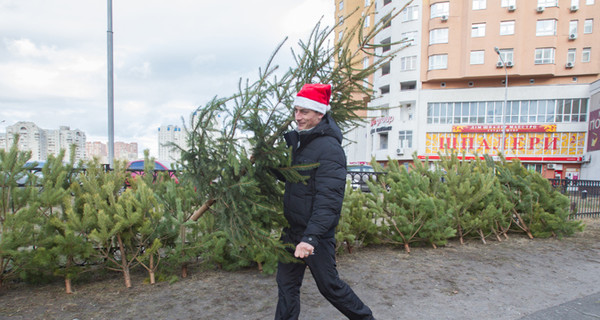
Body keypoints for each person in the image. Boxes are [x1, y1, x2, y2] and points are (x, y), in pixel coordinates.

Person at [274, 83, 375, 320]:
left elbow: (329, 200)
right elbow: (290, 176)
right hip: (291, 232)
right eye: (296, 111)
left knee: (330, 287)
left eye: (304, 112)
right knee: (286, 286)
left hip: (314, 235)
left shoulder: (329, 149)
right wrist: (262, 163)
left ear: (319, 114)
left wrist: (310, 238)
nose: (297, 117)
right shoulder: (300, 142)